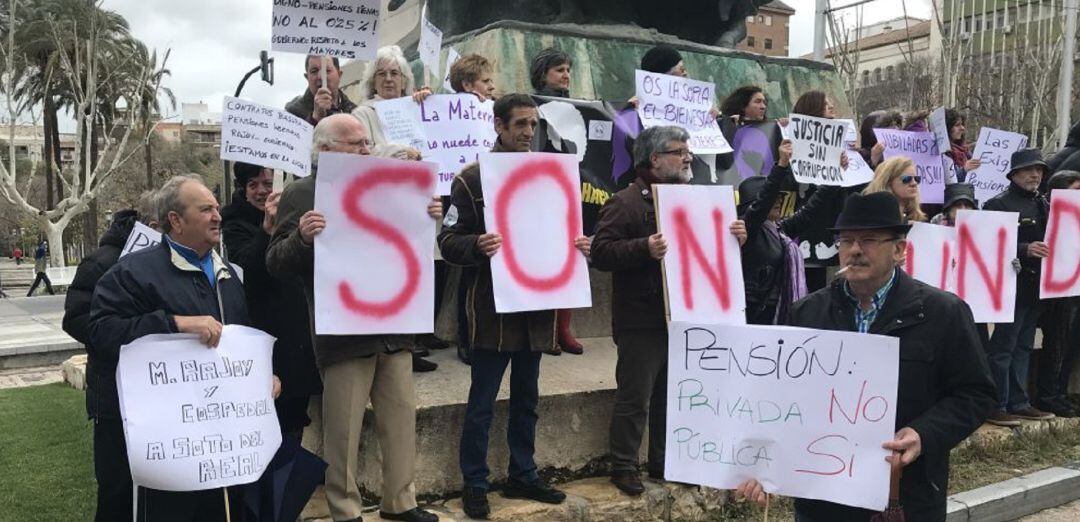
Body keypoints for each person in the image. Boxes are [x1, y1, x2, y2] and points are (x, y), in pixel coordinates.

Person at [737, 191, 996, 521]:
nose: (855, 250)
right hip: (823, 500)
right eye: (846, 241)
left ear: (900, 249)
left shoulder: (943, 313)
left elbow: (976, 394)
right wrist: (766, 465)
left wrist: (923, 434)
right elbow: (781, 400)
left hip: (905, 495)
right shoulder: (807, 313)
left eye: (869, 240)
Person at [266, 114, 440, 522]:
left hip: (394, 328)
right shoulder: (303, 192)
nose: (366, 150)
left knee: (400, 422)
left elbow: (408, 246)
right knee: (343, 430)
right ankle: (345, 510)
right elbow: (275, 262)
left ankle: (401, 501)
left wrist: (427, 213)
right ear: (326, 150)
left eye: (367, 143)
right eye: (356, 144)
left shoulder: (391, 186)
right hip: (342, 334)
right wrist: (302, 238)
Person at [88, 174, 279, 521]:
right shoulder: (133, 273)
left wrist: (260, 377)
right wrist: (174, 322)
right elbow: (101, 333)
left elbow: (237, 339)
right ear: (175, 221)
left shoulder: (229, 275)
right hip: (162, 442)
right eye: (206, 209)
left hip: (214, 442)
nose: (218, 216)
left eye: (217, 208)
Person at [438, 94, 582, 519]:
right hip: (490, 312)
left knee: (527, 398)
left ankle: (524, 474)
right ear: (498, 126)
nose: (527, 132)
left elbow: (563, 231)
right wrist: (476, 245)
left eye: (533, 124)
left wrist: (578, 246)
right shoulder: (471, 180)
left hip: (536, 307)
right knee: (482, 402)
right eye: (520, 124)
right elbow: (447, 242)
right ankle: (475, 483)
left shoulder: (552, 174)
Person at [592, 125, 747, 495]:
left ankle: (665, 463)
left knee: (671, 396)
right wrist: (643, 247)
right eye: (679, 151)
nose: (687, 157)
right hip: (641, 318)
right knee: (636, 395)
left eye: (687, 150)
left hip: (683, 315)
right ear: (654, 159)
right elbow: (601, 252)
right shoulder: (626, 202)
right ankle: (624, 465)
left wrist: (736, 237)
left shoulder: (694, 200)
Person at [62, 191, 158, 522]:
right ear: (155, 224)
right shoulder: (102, 261)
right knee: (117, 488)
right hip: (113, 396)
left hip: (160, 394)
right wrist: (127, 333)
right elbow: (75, 318)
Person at [221, 162, 322, 439]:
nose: (263, 191)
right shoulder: (234, 222)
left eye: (269, 183)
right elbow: (247, 273)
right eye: (254, 184)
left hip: (301, 326)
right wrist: (266, 232)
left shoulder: (297, 210)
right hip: (268, 327)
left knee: (294, 419)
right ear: (244, 189)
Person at [981, 148, 1055, 426]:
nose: (1035, 175)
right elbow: (985, 244)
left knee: (1023, 345)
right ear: (1013, 174)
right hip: (1009, 287)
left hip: (1037, 286)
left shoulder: (1044, 204)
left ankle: (1019, 401)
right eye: (1028, 170)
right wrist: (1024, 248)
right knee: (1002, 347)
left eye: (1039, 170)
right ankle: (995, 403)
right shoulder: (997, 205)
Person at [1034, 170, 1080, 417]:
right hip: (1059, 289)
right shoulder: (1048, 214)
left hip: (1075, 286)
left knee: (1071, 343)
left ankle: (1061, 391)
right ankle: (1049, 393)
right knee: (1057, 341)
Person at [352, 45, 432, 149]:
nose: (388, 79)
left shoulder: (416, 107)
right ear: (373, 82)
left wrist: (430, 103)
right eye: (382, 74)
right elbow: (363, 151)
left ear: (404, 81)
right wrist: (400, 152)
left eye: (394, 73)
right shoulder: (362, 114)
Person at [286, 55, 358, 126]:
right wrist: (314, 119)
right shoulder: (293, 114)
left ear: (339, 75)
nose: (321, 77)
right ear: (307, 77)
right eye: (314, 71)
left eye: (327, 71)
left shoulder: (356, 113)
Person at [863, 157, 928, 223]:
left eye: (917, 179)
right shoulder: (872, 218)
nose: (914, 183)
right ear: (888, 182)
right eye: (907, 179)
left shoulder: (915, 218)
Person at [944, 109, 980, 180]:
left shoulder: (965, 151)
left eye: (962, 124)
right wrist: (964, 170)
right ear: (947, 128)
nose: (962, 128)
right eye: (957, 125)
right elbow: (947, 180)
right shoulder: (942, 153)